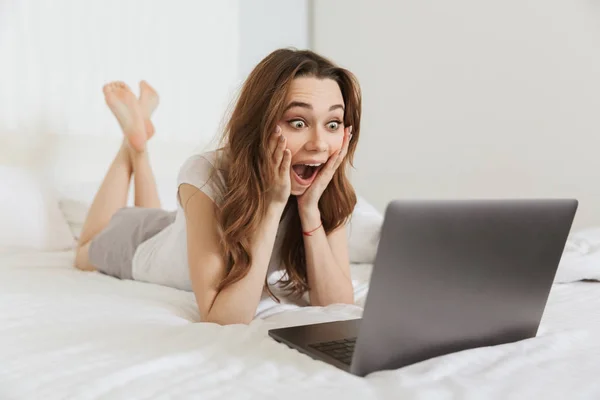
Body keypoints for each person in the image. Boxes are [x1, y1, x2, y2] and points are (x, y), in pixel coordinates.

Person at [74, 48, 362, 325]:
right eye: (298, 123)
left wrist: (310, 209)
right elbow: (222, 319)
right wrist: (274, 205)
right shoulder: (206, 173)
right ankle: (132, 145)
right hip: (142, 246)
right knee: (83, 251)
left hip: (177, 231)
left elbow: (337, 305)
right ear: (261, 123)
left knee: (166, 221)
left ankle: (139, 141)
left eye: (333, 124)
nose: (320, 144)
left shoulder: (323, 187)